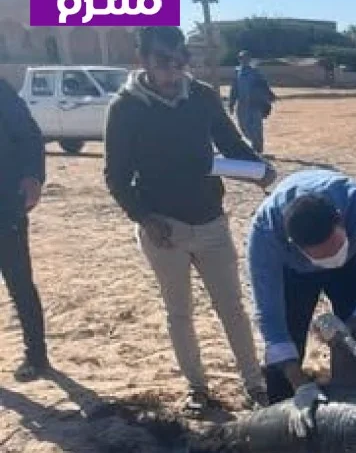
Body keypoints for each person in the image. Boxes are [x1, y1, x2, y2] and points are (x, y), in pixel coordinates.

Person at [104, 26, 275, 414]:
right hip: (164, 231)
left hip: (211, 223)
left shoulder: (201, 97)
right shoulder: (126, 107)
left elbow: (230, 143)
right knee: (179, 312)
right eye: (163, 61)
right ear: (143, 61)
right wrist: (145, 218)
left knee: (232, 307)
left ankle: (254, 383)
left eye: (180, 60)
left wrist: (257, 167)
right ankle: (197, 388)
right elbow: (115, 176)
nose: (173, 70)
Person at [248, 169, 356, 436]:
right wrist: (299, 384)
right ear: (293, 244)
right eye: (321, 255)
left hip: (352, 264)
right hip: (294, 274)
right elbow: (270, 318)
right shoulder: (265, 233)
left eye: (334, 247)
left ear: (340, 220)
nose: (330, 258)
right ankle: (281, 426)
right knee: (287, 348)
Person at [0, 78, 49, 382]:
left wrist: (32, 176)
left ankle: (36, 355)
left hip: (4, 206)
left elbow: (30, 136)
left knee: (19, 283)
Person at [228, 51, 276, 154]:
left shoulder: (255, 72)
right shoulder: (237, 73)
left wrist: (269, 95)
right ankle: (255, 144)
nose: (244, 60)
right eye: (242, 58)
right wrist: (231, 103)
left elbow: (264, 85)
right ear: (239, 60)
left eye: (246, 58)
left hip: (255, 105)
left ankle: (258, 150)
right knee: (244, 128)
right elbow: (234, 89)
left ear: (249, 60)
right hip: (242, 106)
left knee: (257, 128)